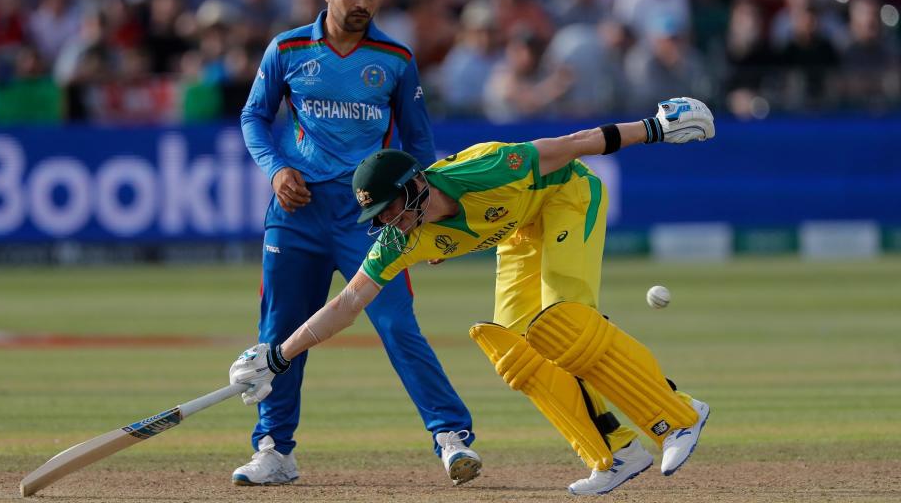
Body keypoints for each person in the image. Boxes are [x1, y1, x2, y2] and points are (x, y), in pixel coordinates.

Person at [231, 97, 716, 495]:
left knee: (563, 322)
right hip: (522, 231)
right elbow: (347, 304)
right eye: (377, 218)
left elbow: (575, 144)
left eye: (390, 209)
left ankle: (676, 416)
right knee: (516, 350)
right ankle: (615, 453)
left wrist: (655, 126)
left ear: (413, 184)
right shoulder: (401, 238)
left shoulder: (484, 169)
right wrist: (278, 356)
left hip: (568, 197)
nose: (387, 223)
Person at [235, 0, 479, 488]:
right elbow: (253, 117)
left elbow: (420, 147)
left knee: (396, 325)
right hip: (296, 213)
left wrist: (421, 215)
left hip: (371, 220)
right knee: (280, 332)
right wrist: (276, 168)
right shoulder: (288, 49)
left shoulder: (395, 60)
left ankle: (450, 437)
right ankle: (274, 450)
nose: (362, 2)